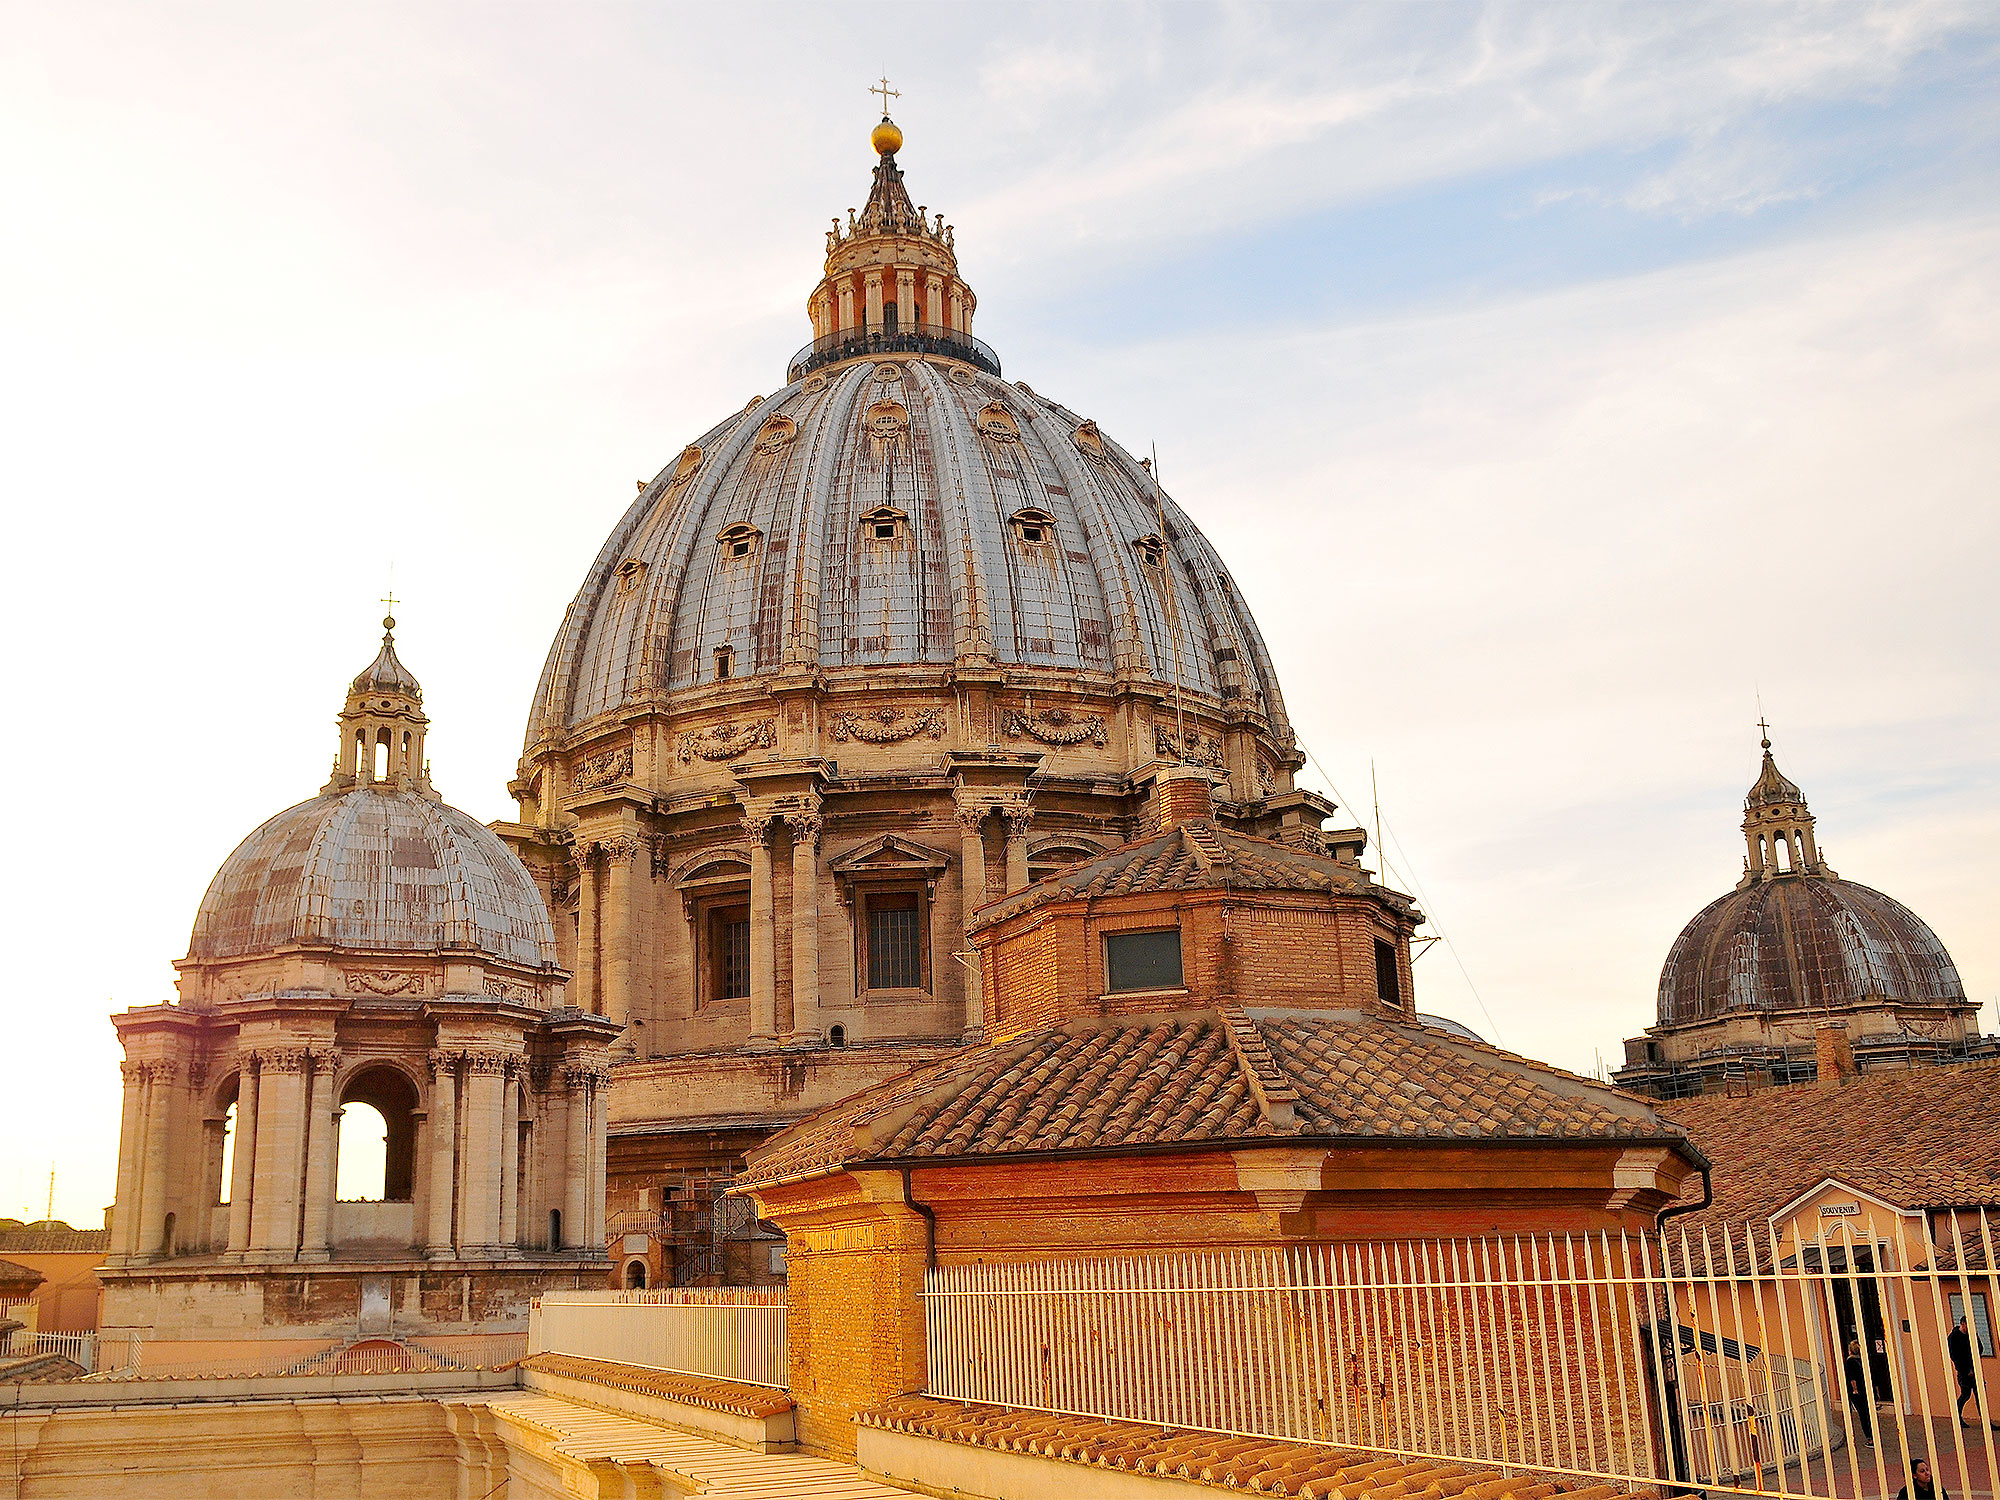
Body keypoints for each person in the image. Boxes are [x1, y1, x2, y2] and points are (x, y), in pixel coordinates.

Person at [1949, 1315, 1979, 1427]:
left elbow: (1979, 1349)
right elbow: (1955, 1356)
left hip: (1975, 1369)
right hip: (1964, 1372)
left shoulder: (1970, 1336)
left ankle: (1986, 1420)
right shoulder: (1954, 1337)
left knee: (1979, 1394)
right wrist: (1966, 1370)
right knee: (1965, 1394)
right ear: (1963, 1324)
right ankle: (1957, 1417)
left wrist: (1976, 1337)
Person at [1846, 1338, 1874, 1445]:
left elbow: (1852, 1377)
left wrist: (1855, 1389)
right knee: (1868, 1413)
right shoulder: (1864, 1360)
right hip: (1867, 1389)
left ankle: (1870, 1437)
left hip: (1859, 1391)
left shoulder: (1850, 1361)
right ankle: (1872, 1434)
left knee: (1863, 1414)